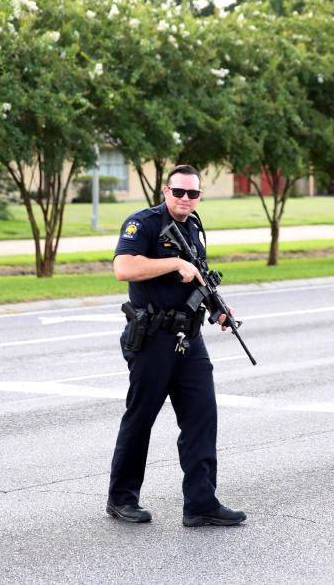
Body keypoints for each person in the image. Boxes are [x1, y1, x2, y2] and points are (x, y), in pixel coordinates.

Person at [105, 165, 247, 527]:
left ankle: (201, 503)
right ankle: (122, 499)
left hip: (189, 339)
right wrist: (173, 263)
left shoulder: (193, 228)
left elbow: (196, 275)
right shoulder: (144, 223)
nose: (185, 199)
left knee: (202, 417)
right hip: (152, 338)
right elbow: (123, 268)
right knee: (140, 419)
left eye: (193, 194)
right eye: (179, 192)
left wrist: (217, 309)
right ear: (165, 191)